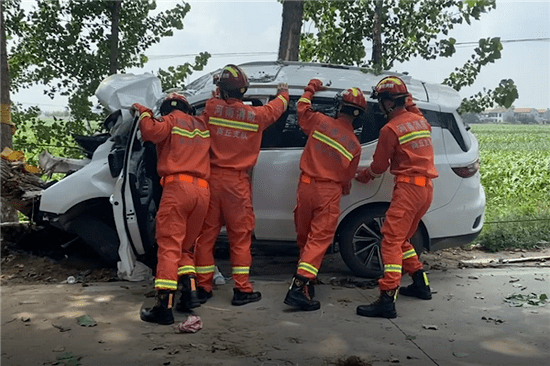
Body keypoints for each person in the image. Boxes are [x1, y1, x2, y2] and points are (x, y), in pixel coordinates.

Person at [194, 64, 290, 306]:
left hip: (212, 180)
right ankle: (242, 290)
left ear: (222, 91)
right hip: (237, 184)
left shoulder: (211, 108)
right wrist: (284, 94)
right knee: (240, 237)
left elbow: (208, 109)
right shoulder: (255, 116)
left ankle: (203, 287)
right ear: (243, 92)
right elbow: (275, 109)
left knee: (206, 236)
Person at [354, 76, 438, 319]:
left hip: (408, 190)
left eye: (381, 101)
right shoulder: (421, 122)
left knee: (390, 240)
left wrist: (365, 175)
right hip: (425, 190)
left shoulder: (390, 129)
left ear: (389, 103)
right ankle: (421, 284)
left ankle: (387, 298)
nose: (380, 106)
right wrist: (406, 99)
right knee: (401, 239)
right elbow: (414, 110)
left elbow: (379, 166)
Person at [284, 79, 366, 311]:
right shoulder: (355, 145)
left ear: (339, 107)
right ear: (358, 116)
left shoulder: (319, 121)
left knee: (305, 236)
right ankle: (299, 286)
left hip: (306, 186)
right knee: (318, 240)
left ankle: (307, 278)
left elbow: (301, 109)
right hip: (329, 191)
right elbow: (347, 178)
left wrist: (310, 88)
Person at [132, 92, 211, 325]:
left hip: (178, 189)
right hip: (203, 192)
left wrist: (143, 111)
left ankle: (163, 307)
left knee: (168, 246)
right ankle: (190, 294)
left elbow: (148, 131)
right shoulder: (202, 125)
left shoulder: (170, 120)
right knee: (186, 247)